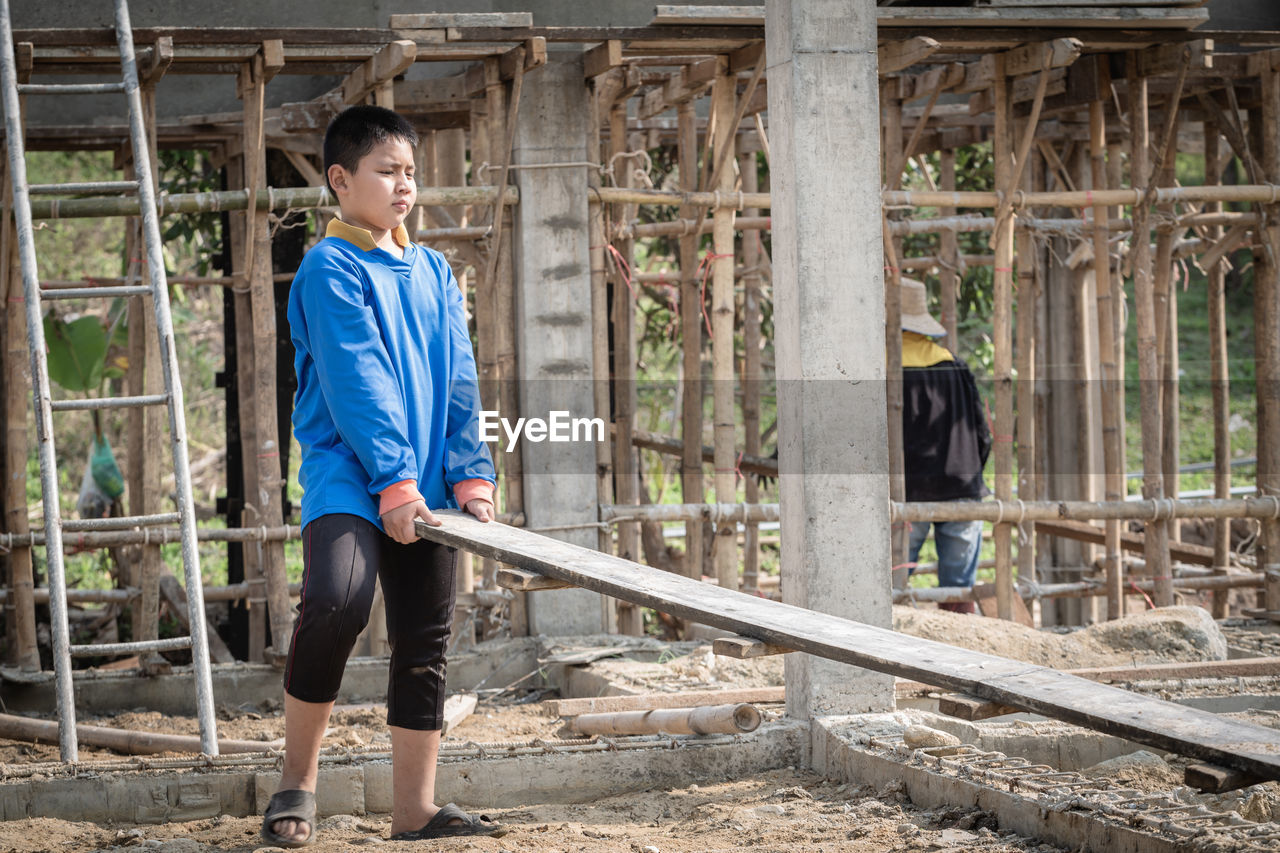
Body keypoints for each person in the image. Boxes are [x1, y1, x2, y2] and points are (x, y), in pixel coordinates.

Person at [261, 105, 504, 847]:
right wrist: (394, 481)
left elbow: (460, 377)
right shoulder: (329, 267)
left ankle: (415, 809)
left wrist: (469, 475)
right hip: (349, 475)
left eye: (410, 172)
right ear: (341, 180)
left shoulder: (432, 269)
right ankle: (295, 785)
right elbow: (356, 377)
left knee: (426, 634)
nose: (404, 186)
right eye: (387, 171)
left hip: (424, 480)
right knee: (337, 600)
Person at [899, 278, 991, 615]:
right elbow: (982, 434)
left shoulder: (882, 369)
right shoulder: (955, 365)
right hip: (962, 486)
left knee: (890, 587)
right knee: (958, 593)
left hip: (907, 494)